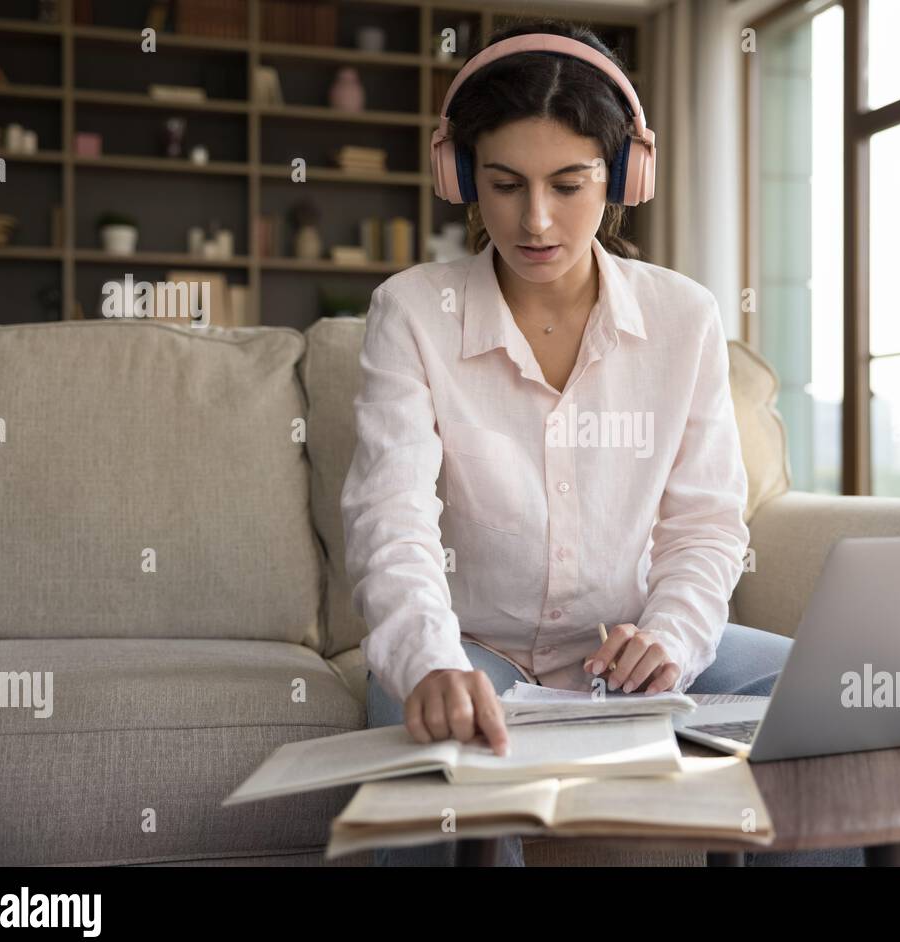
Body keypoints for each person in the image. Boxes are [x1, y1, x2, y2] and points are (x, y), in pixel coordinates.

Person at [340, 19, 864, 868]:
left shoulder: (682, 317)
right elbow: (389, 516)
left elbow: (705, 524)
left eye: (569, 183)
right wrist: (430, 662)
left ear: (623, 175)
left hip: (626, 649)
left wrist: (671, 636)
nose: (536, 219)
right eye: (505, 183)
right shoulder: (411, 311)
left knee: (833, 706)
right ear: (461, 175)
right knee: (429, 785)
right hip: (472, 647)